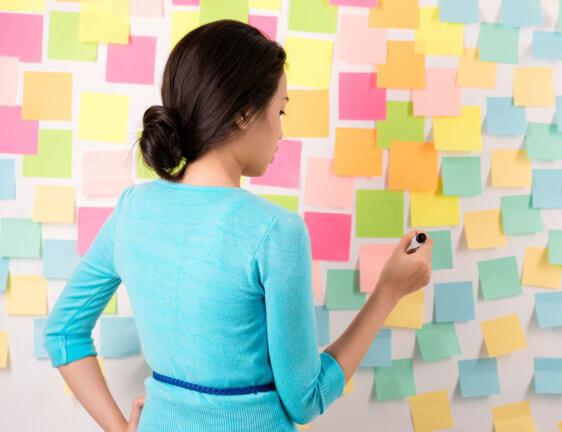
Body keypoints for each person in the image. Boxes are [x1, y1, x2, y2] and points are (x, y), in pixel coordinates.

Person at [42, 19, 433, 432]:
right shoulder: (276, 232)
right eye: (279, 110)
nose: (282, 131)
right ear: (245, 114)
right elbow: (305, 399)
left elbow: (63, 334)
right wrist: (389, 290)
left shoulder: (132, 208)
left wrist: (121, 430)